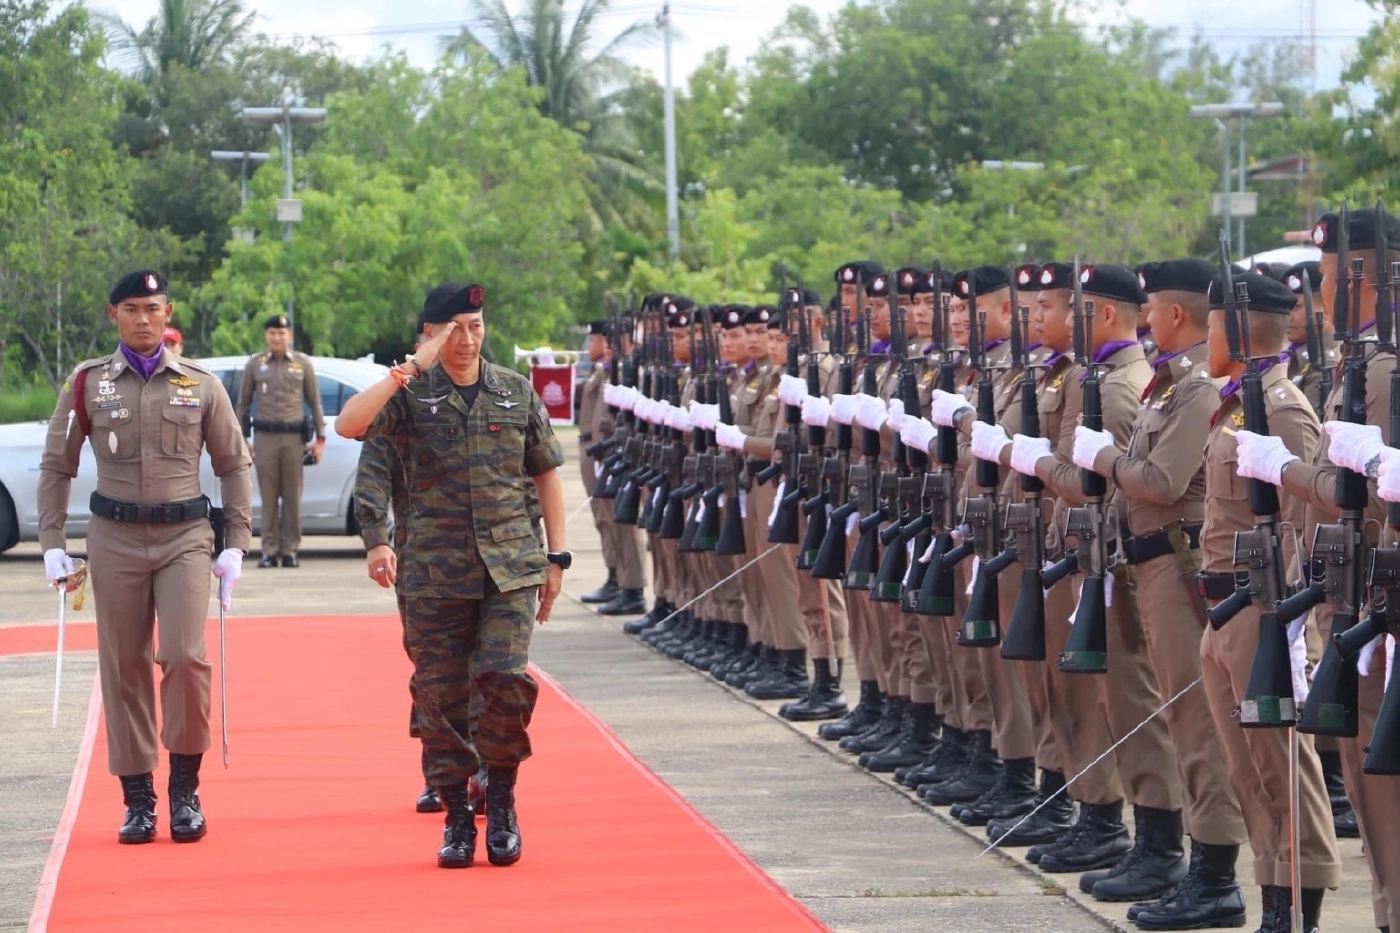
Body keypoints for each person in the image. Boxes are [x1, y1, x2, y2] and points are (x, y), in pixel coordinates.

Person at [337, 281, 567, 870]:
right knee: (439, 697)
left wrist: (556, 558)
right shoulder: (410, 394)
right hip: (434, 571)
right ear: (433, 333)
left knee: (504, 678)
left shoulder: (514, 391)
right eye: (454, 329)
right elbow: (349, 426)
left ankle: (503, 796)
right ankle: (458, 817)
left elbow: (545, 474)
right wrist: (406, 371)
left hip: (510, 567)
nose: (467, 339)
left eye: (476, 326)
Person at [38, 269, 252, 845]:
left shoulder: (202, 384)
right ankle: (138, 800)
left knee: (184, 655)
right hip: (114, 537)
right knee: (123, 664)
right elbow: (58, 466)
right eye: (130, 308)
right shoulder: (85, 383)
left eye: (151, 308)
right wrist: (52, 545)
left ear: (167, 313)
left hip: (185, 536)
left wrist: (236, 543)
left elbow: (234, 465)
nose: (141, 318)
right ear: (114, 315)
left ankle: (185, 789)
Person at [235, 314, 326, 568]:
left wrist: (320, 439)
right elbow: (242, 403)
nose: (277, 337)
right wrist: (242, 440)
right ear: (266, 335)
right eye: (272, 332)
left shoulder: (302, 364)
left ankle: (290, 551)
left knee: (292, 497)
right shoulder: (255, 364)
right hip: (264, 437)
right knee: (268, 497)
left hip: (294, 439)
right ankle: (268, 550)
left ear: (290, 335)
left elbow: (315, 401)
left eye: (282, 332)